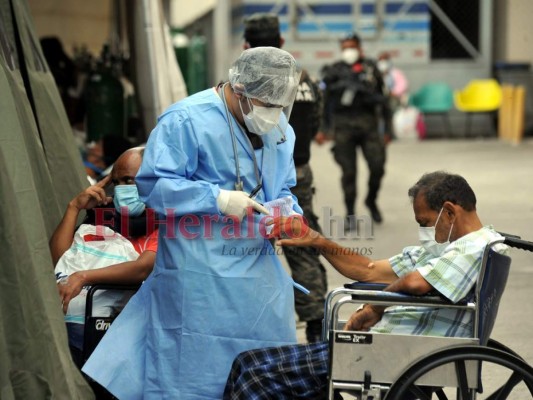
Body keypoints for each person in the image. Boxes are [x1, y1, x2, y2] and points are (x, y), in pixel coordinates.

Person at [82, 47, 303, 399]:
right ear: (239, 89)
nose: (272, 113)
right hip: (198, 276)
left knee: (267, 368)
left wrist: (288, 210)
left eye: (278, 105)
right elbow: (154, 186)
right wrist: (215, 199)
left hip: (258, 279)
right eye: (265, 103)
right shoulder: (187, 119)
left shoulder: (278, 128)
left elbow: (285, 185)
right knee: (192, 373)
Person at [223, 171, 508, 399]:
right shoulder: (445, 247)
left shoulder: (474, 247)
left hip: (394, 352)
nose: (424, 231)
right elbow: (369, 270)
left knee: (255, 376)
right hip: (386, 345)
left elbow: (414, 282)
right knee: (245, 363)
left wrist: (375, 307)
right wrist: (317, 240)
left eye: (425, 222)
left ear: (449, 212)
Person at [243, 12, 328, 343]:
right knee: (301, 243)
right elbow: (316, 121)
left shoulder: (244, 80)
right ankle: (317, 323)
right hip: (299, 171)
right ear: (281, 42)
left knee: (241, 246)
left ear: (245, 46)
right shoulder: (302, 78)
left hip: (250, 175)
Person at [49, 147, 158, 367]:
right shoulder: (103, 218)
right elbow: (60, 259)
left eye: (130, 180)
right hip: (79, 330)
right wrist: (74, 208)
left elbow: (142, 269)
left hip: (133, 336)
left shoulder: (165, 223)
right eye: (116, 182)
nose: (122, 189)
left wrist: (84, 276)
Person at [319, 33, 392, 225]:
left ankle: (371, 200)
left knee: (378, 167)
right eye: (345, 47)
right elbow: (325, 102)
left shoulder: (370, 68)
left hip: (369, 126)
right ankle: (350, 213)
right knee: (348, 172)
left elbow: (384, 100)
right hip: (343, 127)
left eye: (352, 47)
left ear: (360, 48)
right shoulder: (334, 71)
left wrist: (388, 130)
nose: (348, 51)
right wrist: (323, 129)